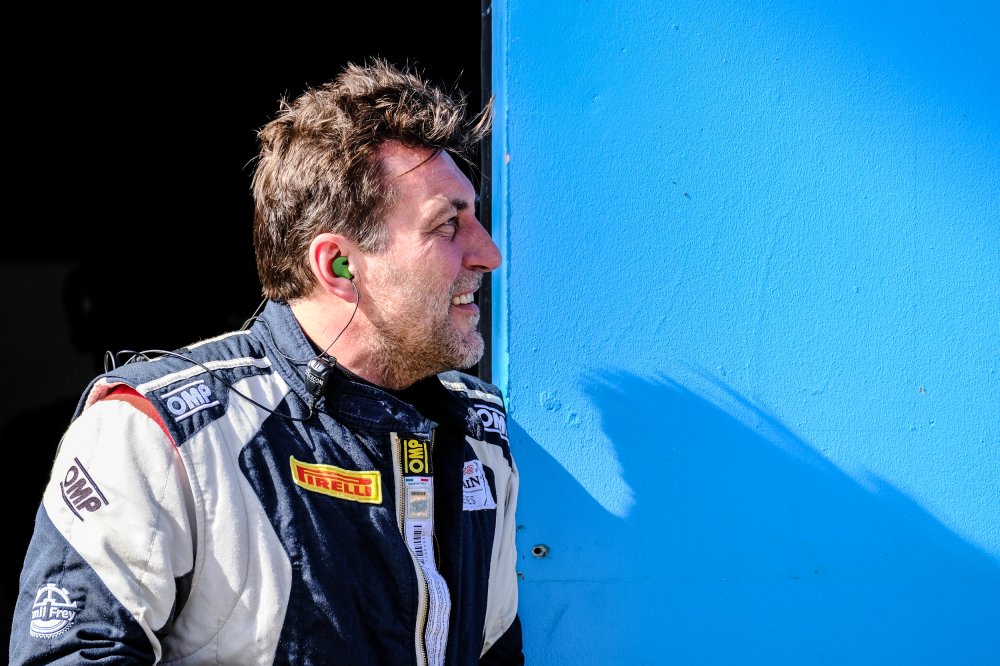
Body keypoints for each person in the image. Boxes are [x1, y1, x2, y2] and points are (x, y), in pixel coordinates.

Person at [9, 59, 523, 665]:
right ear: (338, 266)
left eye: (475, 217)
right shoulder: (157, 430)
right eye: (448, 225)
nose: (488, 252)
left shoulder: (480, 431)